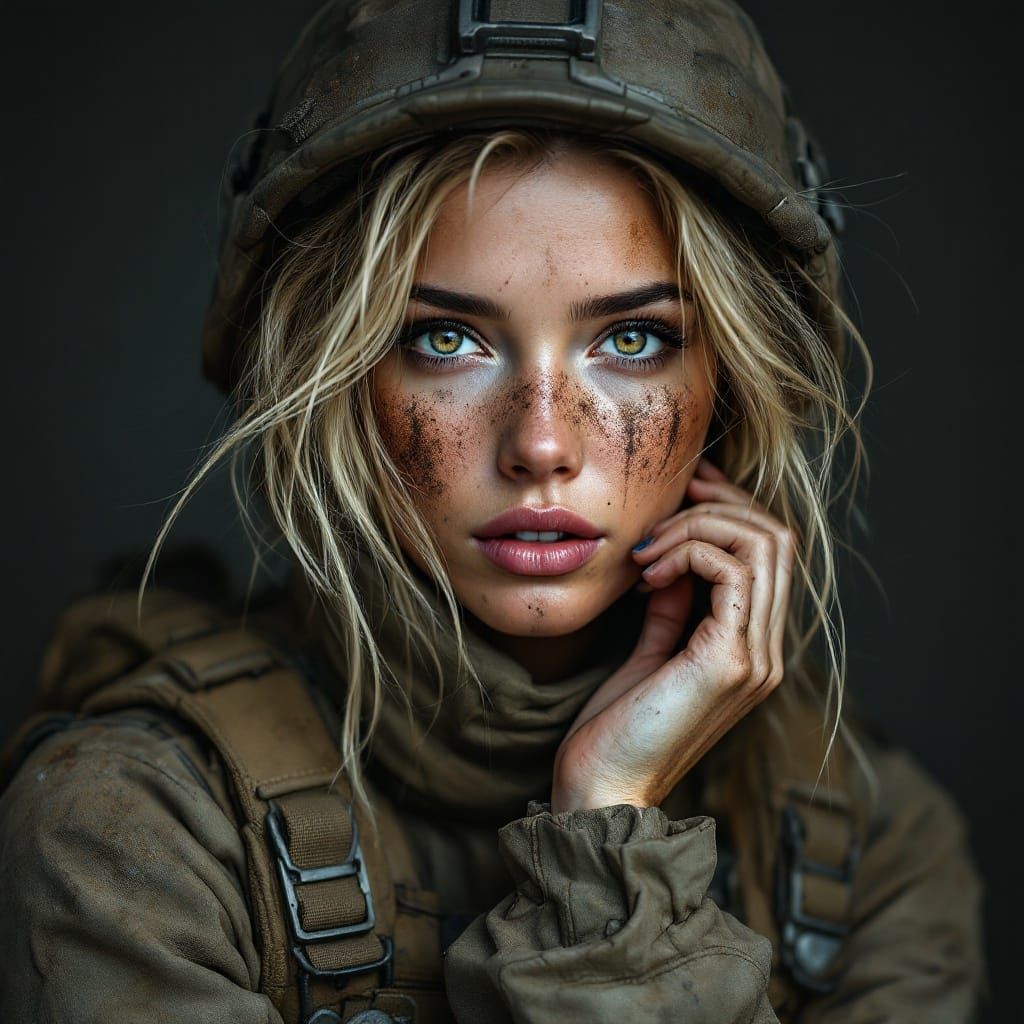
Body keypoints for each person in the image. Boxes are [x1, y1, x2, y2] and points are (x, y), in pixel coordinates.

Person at [0, 2, 986, 1022]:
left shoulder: (866, 845)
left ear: (727, 385)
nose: (543, 443)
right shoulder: (128, 831)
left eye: (634, 341)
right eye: (445, 341)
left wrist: (607, 818)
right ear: (333, 376)